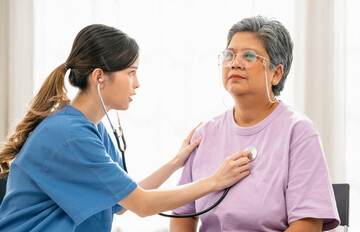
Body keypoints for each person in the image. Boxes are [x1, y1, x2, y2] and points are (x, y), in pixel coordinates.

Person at [0, 24, 251, 232]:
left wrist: (176, 162)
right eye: (131, 72)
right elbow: (141, 204)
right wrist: (215, 181)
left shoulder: (95, 130)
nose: (137, 83)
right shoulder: (69, 135)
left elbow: (122, 203)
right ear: (99, 77)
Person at [170, 16, 340, 232]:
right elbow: (183, 214)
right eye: (229, 55)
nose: (235, 63)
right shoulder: (205, 134)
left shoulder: (298, 131)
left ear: (276, 74)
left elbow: (308, 223)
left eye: (248, 56)